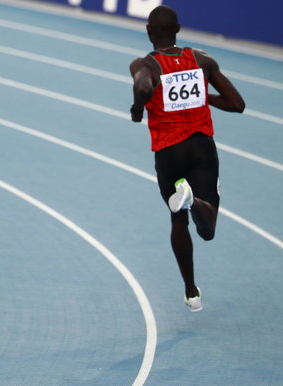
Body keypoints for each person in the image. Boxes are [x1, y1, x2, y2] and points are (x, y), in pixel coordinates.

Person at [129, 5, 245, 312]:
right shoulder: (202, 60)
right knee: (207, 230)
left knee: (177, 219)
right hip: (202, 148)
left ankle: (191, 291)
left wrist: (138, 107)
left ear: (148, 32)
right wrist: (204, 96)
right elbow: (237, 104)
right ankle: (197, 202)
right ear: (178, 29)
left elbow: (142, 85)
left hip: (168, 153)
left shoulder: (146, 65)